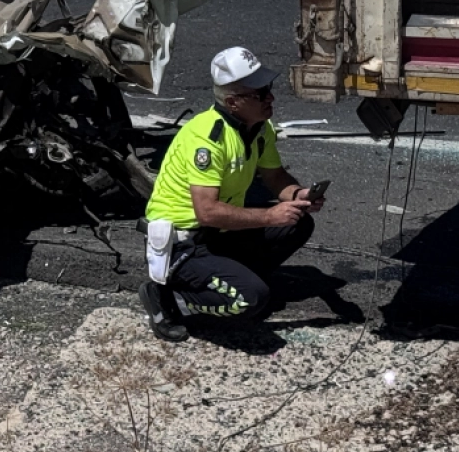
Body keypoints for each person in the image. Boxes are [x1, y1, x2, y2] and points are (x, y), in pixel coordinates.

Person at [138, 48, 324, 342]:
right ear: (233, 102)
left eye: (269, 89)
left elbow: (275, 177)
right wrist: (269, 216)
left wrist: (298, 194)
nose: (271, 98)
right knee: (250, 300)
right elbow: (207, 211)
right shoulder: (207, 139)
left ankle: (233, 277)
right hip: (184, 242)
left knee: (296, 222)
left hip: (218, 233)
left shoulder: (259, 128)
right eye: (260, 94)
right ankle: (167, 297)